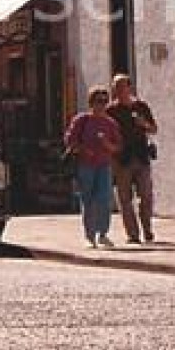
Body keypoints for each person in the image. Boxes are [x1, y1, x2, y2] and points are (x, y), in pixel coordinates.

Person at [65, 87, 122, 249]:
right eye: (99, 101)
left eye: (105, 101)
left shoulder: (110, 123)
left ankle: (103, 233)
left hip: (104, 164)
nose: (102, 105)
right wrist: (84, 150)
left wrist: (107, 145)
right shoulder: (82, 120)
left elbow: (117, 146)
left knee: (104, 199)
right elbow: (70, 140)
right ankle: (89, 234)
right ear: (91, 103)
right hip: (86, 165)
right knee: (88, 199)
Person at [107, 74, 159, 244]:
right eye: (116, 88)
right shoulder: (111, 111)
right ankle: (133, 234)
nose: (119, 91)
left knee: (146, 195)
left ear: (130, 87)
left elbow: (153, 129)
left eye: (122, 87)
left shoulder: (141, 106)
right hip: (121, 158)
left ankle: (147, 228)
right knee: (124, 198)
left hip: (141, 156)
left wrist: (143, 123)